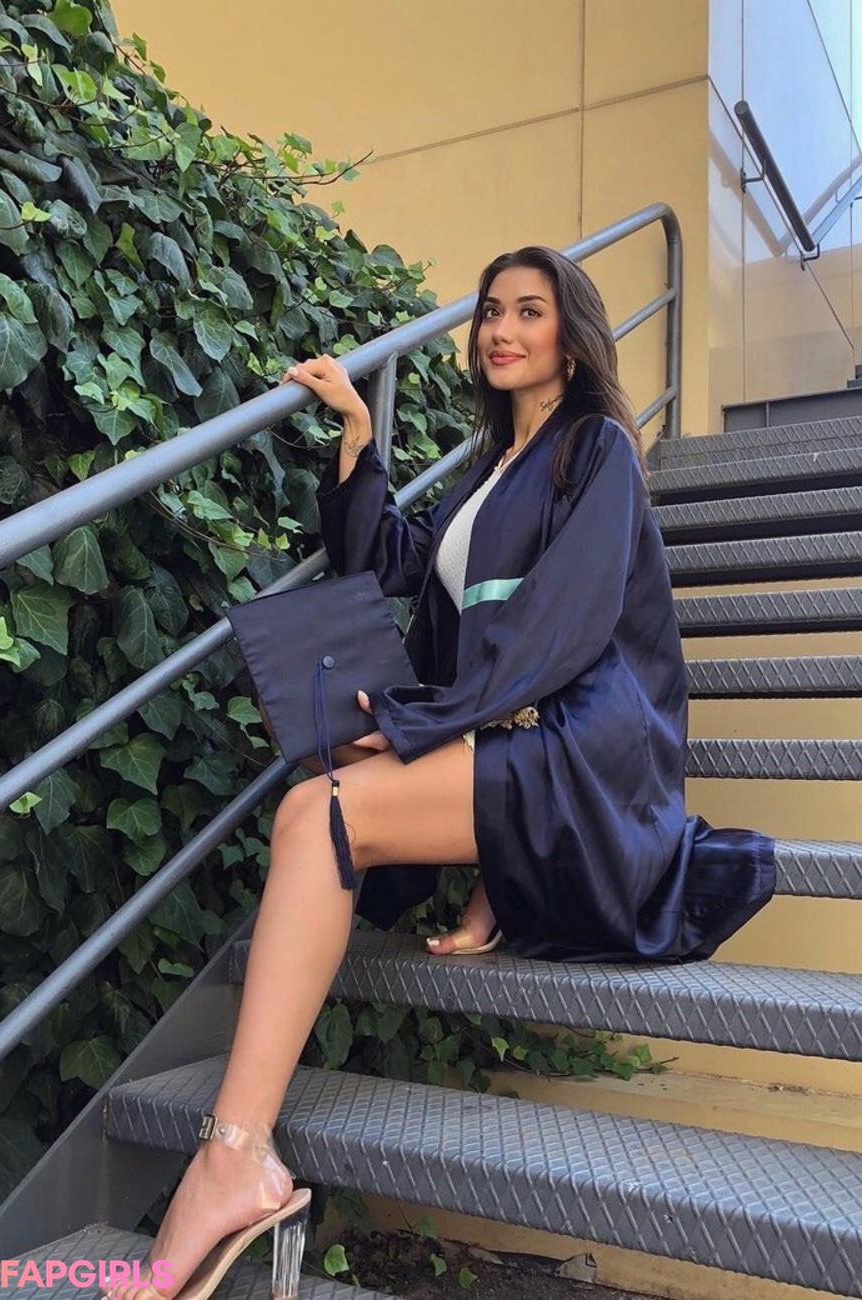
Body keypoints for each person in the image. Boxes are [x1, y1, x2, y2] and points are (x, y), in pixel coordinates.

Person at [105, 246, 774, 1300]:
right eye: (491, 311)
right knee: (319, 775)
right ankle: (243, 1146)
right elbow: (395, 561)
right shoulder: (491, 467)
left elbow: (563, 625)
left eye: (530, 311)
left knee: (319, 814)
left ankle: (233, 1157)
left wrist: (428, 723)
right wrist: (357, 435)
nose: (501, 329)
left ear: (572, 337)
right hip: (510, 727)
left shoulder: (596, 448)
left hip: (580, 745)